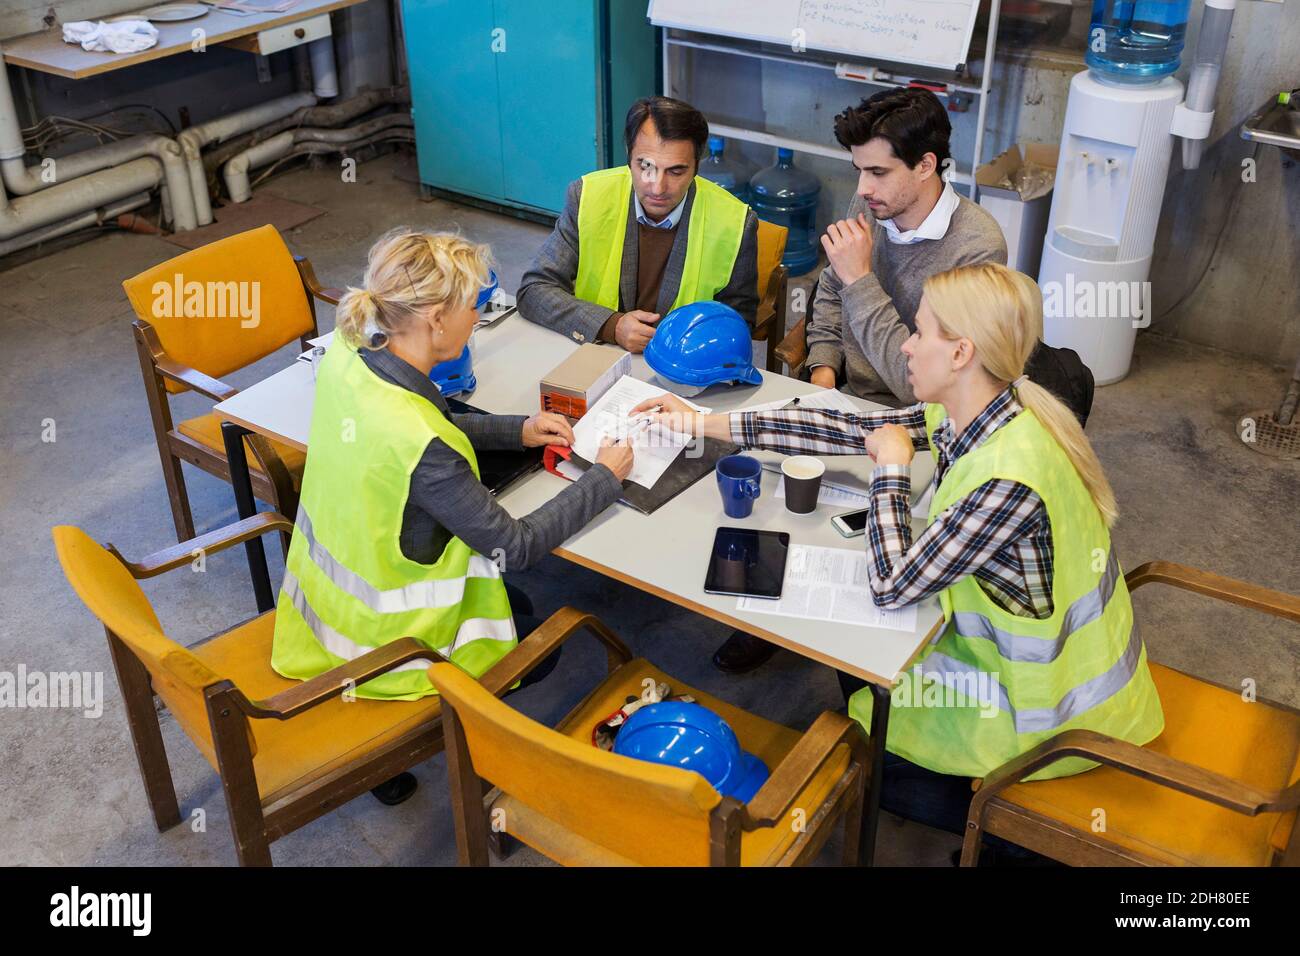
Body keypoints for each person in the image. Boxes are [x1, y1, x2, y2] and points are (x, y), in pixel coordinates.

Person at [634, 263, 1164, 852]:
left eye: (919, 332)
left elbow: (890, 585)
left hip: (1048, 725)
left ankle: (1007, 834)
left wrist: (890, 470)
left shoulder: (1010, 481)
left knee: (858, 752)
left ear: (961, 352)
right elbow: (843, 426)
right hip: (1026, 674)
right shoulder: (997, 407)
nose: (905, 346)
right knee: (859, 674)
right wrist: (709, 423)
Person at [272, 229, 634, 805]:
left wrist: (516, 429)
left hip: (324, 612)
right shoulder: (424, 446)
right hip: (393, 648)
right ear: (437, 320)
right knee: (539, 634)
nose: (480, 316)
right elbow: (512, 548)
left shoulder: (350, 354)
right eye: (475, 305)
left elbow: (421, 420)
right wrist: (604, 479)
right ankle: (457, 741)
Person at [804, 87, 1008, 407]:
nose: (862, 188)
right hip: (846, 397)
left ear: (925, 166)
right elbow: (832, 288)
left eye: (878, 172)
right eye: (859, 170)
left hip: (920, 417)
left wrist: (860, 282)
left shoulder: (978, 248)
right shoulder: (871, 203)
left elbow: (927, 391)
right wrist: (823, 372)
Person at [516, 96, 759, 353]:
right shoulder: (588, 197)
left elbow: (738, 324)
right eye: (645, 166)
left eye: (676, 171)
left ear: (697, 166)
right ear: (628, 156)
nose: (657, 186)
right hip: (597, 351)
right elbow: (534, 290)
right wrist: (612, 325)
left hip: (682, 370)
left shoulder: (735, 223)